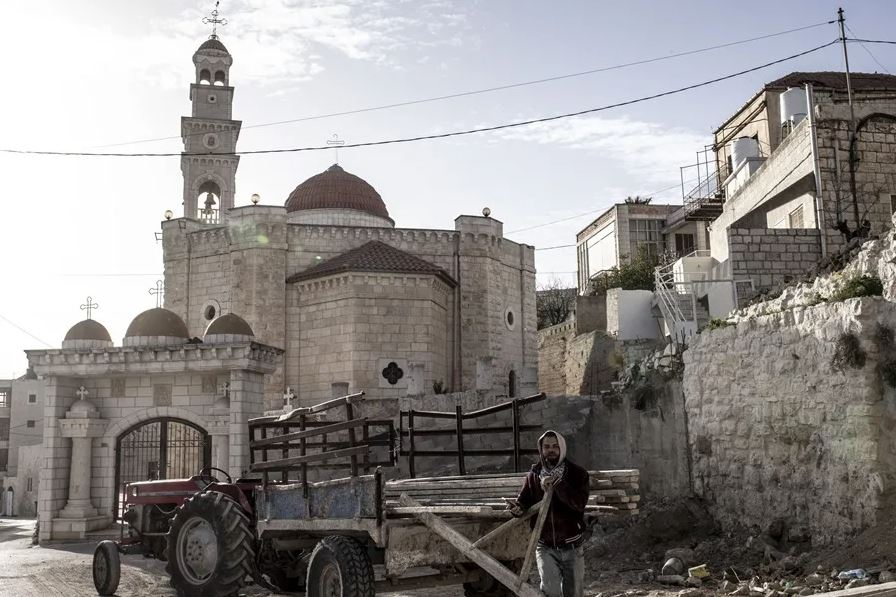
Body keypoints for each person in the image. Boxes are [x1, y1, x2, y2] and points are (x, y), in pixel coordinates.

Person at [507, 430, 589, 597]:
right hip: (545, 546)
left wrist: (557, 483)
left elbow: (579, 504)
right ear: (541, 449)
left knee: (573, 593)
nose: (550, 450)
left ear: (562, 448)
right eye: (546, 447)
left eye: (555, 446)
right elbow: (523, 501)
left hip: (571, 545)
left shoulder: (577, 474)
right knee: (550, 592)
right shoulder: (534, 475)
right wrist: (517, 509)